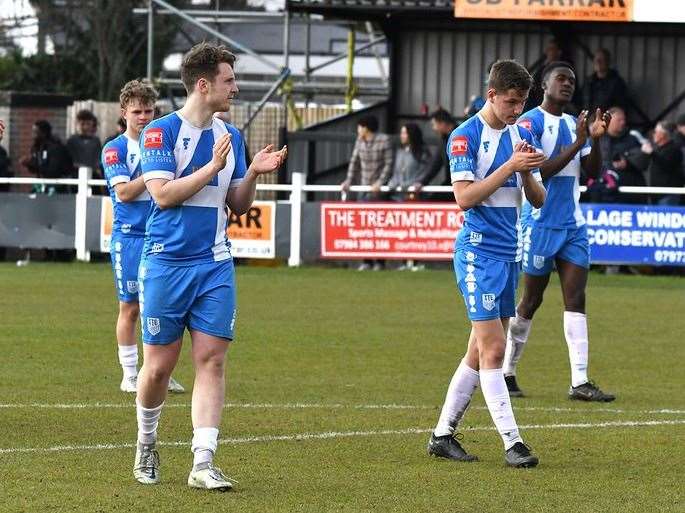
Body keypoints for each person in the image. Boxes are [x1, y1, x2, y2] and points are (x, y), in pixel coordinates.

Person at [134, 42, 286, 490]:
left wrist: (253, 172)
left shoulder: (232, 136)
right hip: (165, 263)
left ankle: (203, 461)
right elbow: (162, 194)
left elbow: (236, 204)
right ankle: (146, 442)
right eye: (229, 80)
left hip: (215, 263)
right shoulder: (160, 133)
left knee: (212, 361)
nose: (235, 88)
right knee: (159, 368)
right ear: (204, 85)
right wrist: (210, 167)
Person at [427, 60, 546, 468]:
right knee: (495, 347)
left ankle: (443, 434)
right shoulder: (465, 137)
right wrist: (509, 167)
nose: (517, 110)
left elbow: (538, 199)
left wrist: (527, 171)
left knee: (479, 352)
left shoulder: (523, 131)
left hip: (509, 252)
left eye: (523, 102)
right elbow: (463, 197)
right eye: (511, 102)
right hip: (478, 252)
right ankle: (513, 443)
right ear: (491, 95)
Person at [502, 61, 616, 402]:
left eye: (572, 80)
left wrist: (595, 141)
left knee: (576, 298)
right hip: (539, 224)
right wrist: (576, 142)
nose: (567, 84)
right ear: (545, 85)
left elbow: (592, 172)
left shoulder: (573, 123)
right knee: (531, 300)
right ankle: (507, 370)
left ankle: (579, 381)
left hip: (573, 226)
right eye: (561, 79)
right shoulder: (529, 123)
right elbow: (541, 172)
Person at [101, 80, 185, 395]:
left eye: (149, 110)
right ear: (124, 113)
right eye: (137, 111)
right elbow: (123, 193)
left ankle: (158, 373)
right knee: (131, 307)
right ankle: (129, 374)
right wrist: (153, 174)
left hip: (162, 235)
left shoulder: (164, 143)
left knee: (161, 306)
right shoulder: (115, 149)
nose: (144, 117)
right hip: (130, 238)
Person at [340, 115, 393, 270]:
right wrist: (348, 181)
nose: (358, 130)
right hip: (363, 188)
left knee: (380, 226)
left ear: (365, 127)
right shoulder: (359, 141)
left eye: (360, 126)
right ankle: (366, 260)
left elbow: (389, 165)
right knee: (364, 226)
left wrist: (380, 182)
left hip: (380, 191)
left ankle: (380, 261)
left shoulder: (384, 140)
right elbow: (354, 163)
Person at [596, 106, 644, 203]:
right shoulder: (597, 139)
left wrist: (628, 163)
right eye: (619, 120)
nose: (623, 122)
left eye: (624, 120)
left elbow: (644, 158)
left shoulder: (633, 138)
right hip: (602, 193)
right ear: (609, 120)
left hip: (629, 193)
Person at [20, 120, 74, 195]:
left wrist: (32, 163)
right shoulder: (36, 148)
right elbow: (36, 169)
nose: (32, 135)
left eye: (35, 132)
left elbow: (53, 170)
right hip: (41, 183)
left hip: (55, 184)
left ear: (43, 133)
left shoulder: (56, 148)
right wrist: (28, 164)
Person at [411, 109, 457, 198]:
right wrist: (422, 181)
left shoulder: (462, 135)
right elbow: (435, 164)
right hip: (452, 184)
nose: (433, 129)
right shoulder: (444, 141)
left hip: (465, 185)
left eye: (434, 125)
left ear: (442, 123)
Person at [639, 121, 683, 206]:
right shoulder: (658, 149)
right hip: (656, 194)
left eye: (655, 132)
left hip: (668, 194)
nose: (653, 134)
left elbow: (667, 165)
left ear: (663, 134)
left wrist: (652, 153)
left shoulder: (673, 148)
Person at [581, 49, 627, 113]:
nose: (598, 62)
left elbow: (620, 107)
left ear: (608, 61)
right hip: (588, 119)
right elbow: (582, 102)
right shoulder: (588, 82)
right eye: (596, 59)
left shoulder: (617, 83)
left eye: (601, 59)